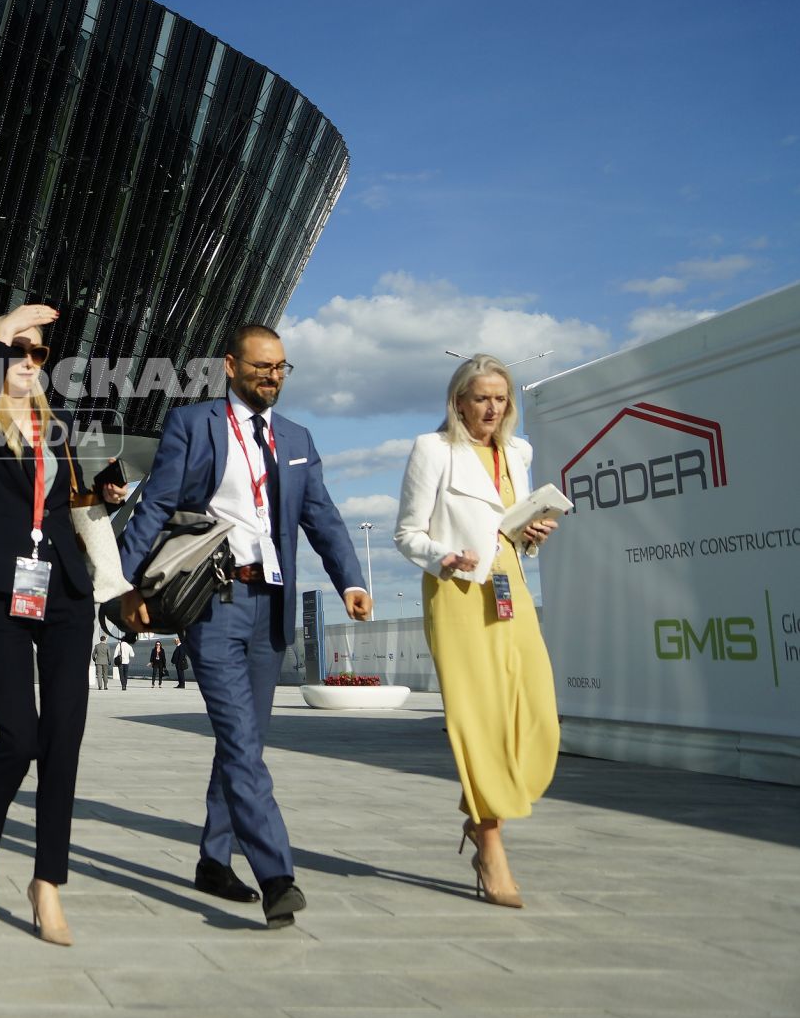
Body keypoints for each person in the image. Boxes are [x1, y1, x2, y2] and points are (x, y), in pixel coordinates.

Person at [118, 323, 371, 929]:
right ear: (230, 366)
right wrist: (122, 586)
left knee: (245, 742)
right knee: (238, 739)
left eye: (282, 368)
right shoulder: (194, 423)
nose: (273, 377)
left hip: (271, 605)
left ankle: (213, 858)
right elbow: (156, 503)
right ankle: (277, 872)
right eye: (262, 367)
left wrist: (352, 582)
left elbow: (323, 517)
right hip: (215, 600)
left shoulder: (297, 437)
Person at [0, 303, 125, 946]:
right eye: (17, 349)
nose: (29, 359)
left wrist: (101, 492)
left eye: (39, 351)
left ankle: (48, 882)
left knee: (63, 742)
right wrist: (9, 321)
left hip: (66, 590)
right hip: (0, 586)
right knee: (18, 736)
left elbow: (65, 500)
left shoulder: (60, 424)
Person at [395, 354, 560, 909]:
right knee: (478, 721)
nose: (493, 408)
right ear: (459, 400)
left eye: (501, 398)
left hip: (511, 586)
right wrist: (444, 556)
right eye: (482, 397)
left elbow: (513, 531)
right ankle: (490, 845)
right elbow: (407, 534)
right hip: (458, 591)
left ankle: (480, 816)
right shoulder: (433, 449)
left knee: (534, 713)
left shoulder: (519, 452)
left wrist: (533, 533)